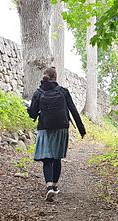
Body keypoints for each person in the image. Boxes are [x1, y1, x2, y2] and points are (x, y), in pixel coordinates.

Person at [27, 67, 86, 201]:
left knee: (47, 159)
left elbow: (32, 115)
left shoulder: (38, 92)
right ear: (55, 77)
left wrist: (28, 108)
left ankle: (49, 188)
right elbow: (73, 110)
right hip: (61, 128)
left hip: (44, 129)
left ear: (44, 77)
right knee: (57, 157)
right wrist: (81, 129)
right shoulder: (63, 91)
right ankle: (54, 185)